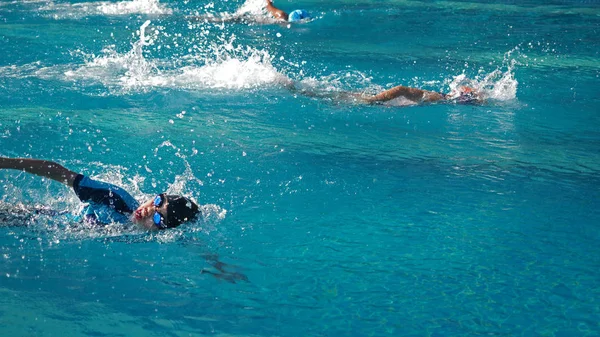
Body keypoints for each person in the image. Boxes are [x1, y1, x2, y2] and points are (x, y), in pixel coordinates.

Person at [0, 157, 200, 230]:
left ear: (163, 229)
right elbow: (61, 173)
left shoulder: (141, 235)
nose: (147, 210)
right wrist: (5, 162)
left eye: (157, 217)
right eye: (156, 200)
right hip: (36, 220)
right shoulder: (115, 198)